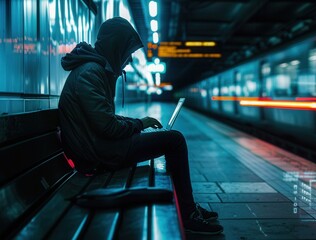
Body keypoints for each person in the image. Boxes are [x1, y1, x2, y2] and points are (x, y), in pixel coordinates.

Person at [58, 17, 223, 235]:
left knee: (170, 139)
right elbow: (107, 126)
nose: (129, 60)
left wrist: (137, 123)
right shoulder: (91, 72)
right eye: (128, 51)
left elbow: (105, 119)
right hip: (97, 154)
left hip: (98, 147)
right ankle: (188, 213)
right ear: (116, 47)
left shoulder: (94, 70)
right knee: (174, 140)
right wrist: (138, 124)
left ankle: (187, 206)